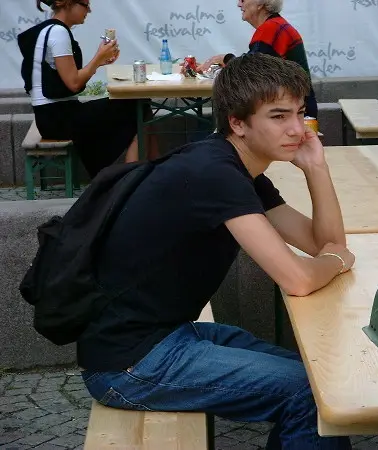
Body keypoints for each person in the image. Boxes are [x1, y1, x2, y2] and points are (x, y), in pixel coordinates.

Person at [78, 53, 353, 449]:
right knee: (310, 395)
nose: (297, 129)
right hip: (130, 363)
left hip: (164, 336)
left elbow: (321, 242)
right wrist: (337, 262)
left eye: (298, 113)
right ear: (237, 123)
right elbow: (299, 278)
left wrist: (316, 169)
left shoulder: (236, 166)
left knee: (317, 377)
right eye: (278, 116)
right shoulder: (215, 175)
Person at [17, 0, 150, 179]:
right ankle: (133, 178)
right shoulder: (58, 32)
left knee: (139, 106)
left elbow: (67, 80)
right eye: (85, 4)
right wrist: (97, 57)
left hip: (50, 116)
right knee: (139, 107)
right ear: (67, 3)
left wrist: (100, 61)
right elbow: (73, 83)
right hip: (58, 117)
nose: (89, 10)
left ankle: (139, 172)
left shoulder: (48, 30)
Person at [199, 0, 318, 118]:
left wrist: (225, 58)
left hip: (294, 114)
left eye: (243, 0)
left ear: (260, 4)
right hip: (295, 110)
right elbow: (253, 65)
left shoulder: (271, 28)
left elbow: (248, 73)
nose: (239, 4)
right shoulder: (276, 25)